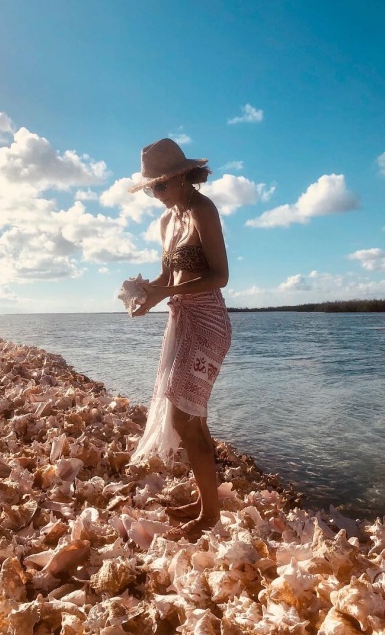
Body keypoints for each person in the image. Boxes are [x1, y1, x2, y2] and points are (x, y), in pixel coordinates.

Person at [128, 138, 232, 541]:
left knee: (183, 420)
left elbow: (220, 276)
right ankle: (208, 507)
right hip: (182, 321)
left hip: (207, 322)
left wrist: (166, 293)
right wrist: (144, 293)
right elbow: (166, 280)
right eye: (151, 188)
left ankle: (209, 517)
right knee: (194, 421)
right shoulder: (167, 221)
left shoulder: (204, 210)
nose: (155, 195)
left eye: (159, 186)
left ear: (181, 177)